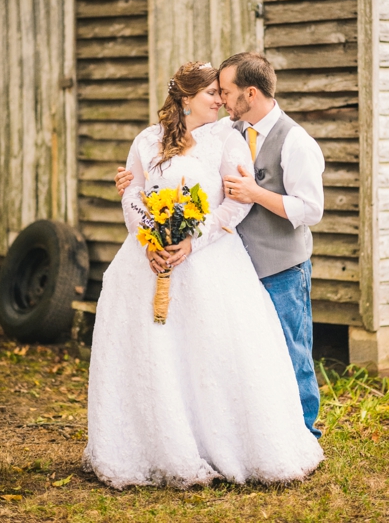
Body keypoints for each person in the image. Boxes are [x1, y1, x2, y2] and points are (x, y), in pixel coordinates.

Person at [83, 61, 323, 489]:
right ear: (185, 98)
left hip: (211, 261)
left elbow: (238, 202)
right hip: (149, 263)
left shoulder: (228, 141)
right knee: (158, 353)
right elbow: (133, 192)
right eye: (212, 93)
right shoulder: (146, 140)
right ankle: (163, 441)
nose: (220, 100)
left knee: (212, 351)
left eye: (222, 92)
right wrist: (149, 241)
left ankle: (224, 441)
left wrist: (193, 241)